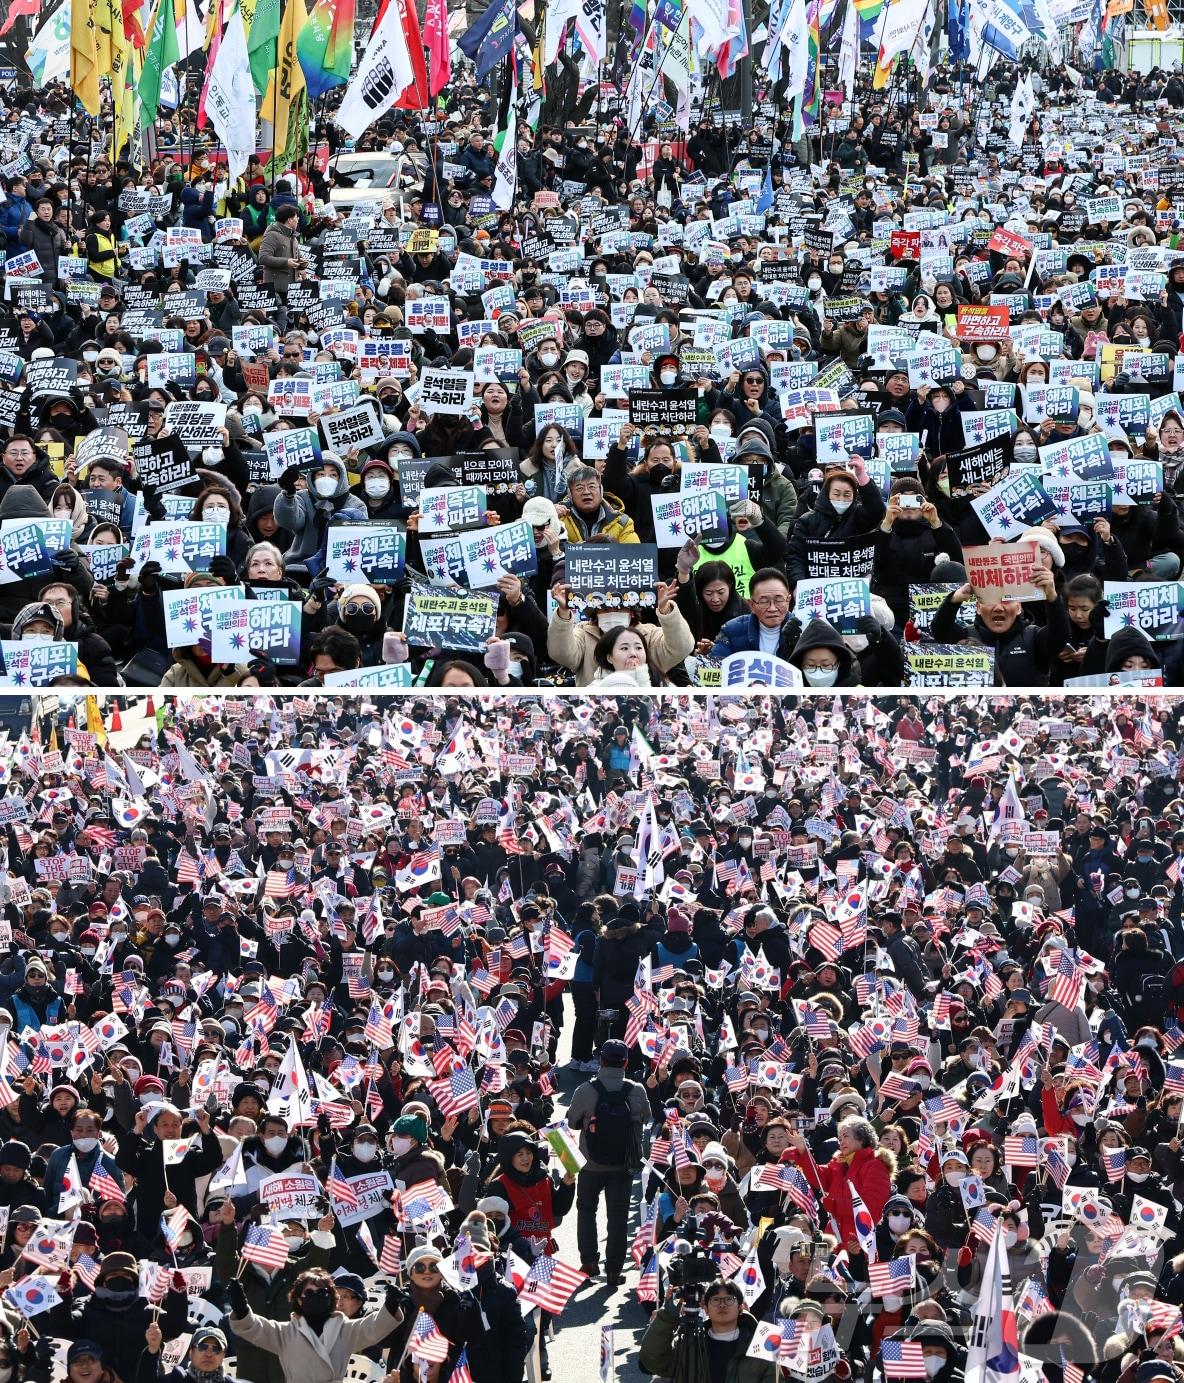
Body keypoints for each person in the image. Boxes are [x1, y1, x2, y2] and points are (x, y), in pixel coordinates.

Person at [565, 1039, 648, 1286]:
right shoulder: (636, 1090)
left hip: (590, 1164)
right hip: (623, 1164)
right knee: (618, 1218)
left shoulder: (585, 1090)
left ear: (600, 1060)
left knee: (586, 1211)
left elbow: (571, 1122)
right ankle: (614, 1270)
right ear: (625, 1062)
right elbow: (646, 1117)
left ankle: (589, 1262)